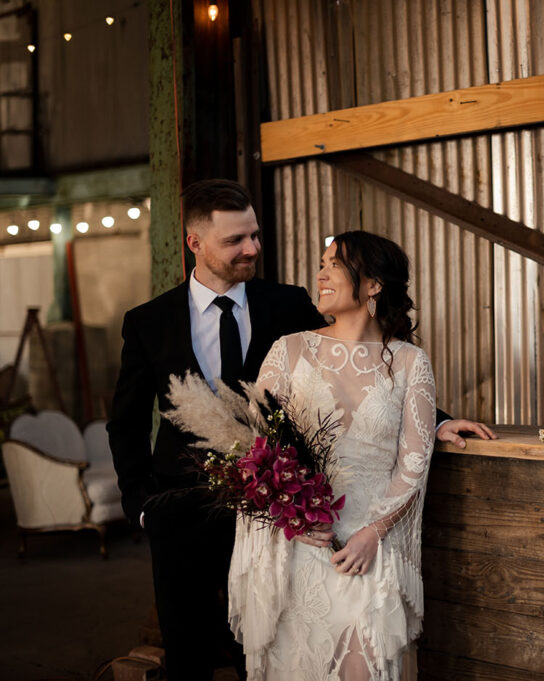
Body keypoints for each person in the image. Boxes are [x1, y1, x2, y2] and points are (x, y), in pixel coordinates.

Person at [107, 179, 494, 680]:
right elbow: (128, 420)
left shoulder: (286, 304)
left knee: (269, 647)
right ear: (195, 243)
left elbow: (357, 359)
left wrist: (436, 421)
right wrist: (142, 507)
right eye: (235, 241)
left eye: (255, 235)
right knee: (189, 654)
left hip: (282, 519)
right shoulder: (148, 321)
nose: (252, 249)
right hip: (183, 509)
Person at [229, 231, 433, 679]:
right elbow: (256, 451)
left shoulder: (409, 363)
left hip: (369, 547)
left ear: (374, 284)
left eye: (334, 265)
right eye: (321, 263)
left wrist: (372, 534)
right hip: (299, 544)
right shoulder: (289, 350)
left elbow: (413, 465)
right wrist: (293, 517)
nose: (320, 274)